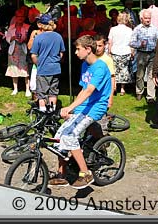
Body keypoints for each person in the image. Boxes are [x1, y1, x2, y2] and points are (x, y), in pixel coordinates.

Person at [48, 35, 112, 189]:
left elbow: (90, 91)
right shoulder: (85, 65)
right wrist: (74, 108)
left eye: (78, 49)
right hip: (85, 106)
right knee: (59, 136)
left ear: (88, 49)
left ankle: (85, 173)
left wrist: (70, 108)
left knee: (70, 136)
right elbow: (83, 89)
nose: (75, 52)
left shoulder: (101, 67)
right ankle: (61, 174)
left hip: (96, 106)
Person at [30, 14, 65, 112]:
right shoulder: (58, 36)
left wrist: (38, 64)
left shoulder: (39, 38)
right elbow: (61, 53)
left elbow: (33, 55)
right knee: (53, 91)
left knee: (42, 92)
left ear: (42, 25)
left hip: (43, 69)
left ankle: (43, 111)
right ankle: (52, 110)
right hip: (56, 68)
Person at [129, 9, 158, 102]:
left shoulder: (154, 29)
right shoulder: (137, 29)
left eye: (149, 18)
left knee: (151, 74)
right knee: (140, 74)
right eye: (146, 18)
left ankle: (150, 96)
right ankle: (139, 92)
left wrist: (157, 47)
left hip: (152, 54)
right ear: (141, 19)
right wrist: (139, 44)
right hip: (141, 54)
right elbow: (131, 42)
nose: (148, 20)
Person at [5, 9, 31, 96]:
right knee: (14, 69)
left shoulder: (27, 27)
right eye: (18, 17)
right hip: (13, 50)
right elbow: (7, 38)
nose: (20, 18)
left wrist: (25, 39)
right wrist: (11, 38)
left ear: (24, 18)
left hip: (23, 49)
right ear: (15, 17)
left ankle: (27, 89)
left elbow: (30, 39)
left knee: (25, 69)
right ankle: (15, 88)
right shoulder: (11, 27)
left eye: (22, 17)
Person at [108, 12, 134, 96]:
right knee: (124, 70)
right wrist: (132, 52)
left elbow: (110, 42)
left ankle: (114, 86)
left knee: (114, 69)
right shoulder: (129, 30)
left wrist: (109, 52)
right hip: (126, 51)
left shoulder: (113, 29)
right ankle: (122, 88)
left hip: (115, 51)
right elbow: (131, 43)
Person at [94, 34, 116, 108]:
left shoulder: (107, 59)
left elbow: (112, 78)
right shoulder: (90, 58)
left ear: (104, 46)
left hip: (103, 94)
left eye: (100, 46)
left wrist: (111, 97)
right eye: (95, 46)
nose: (97, 48)